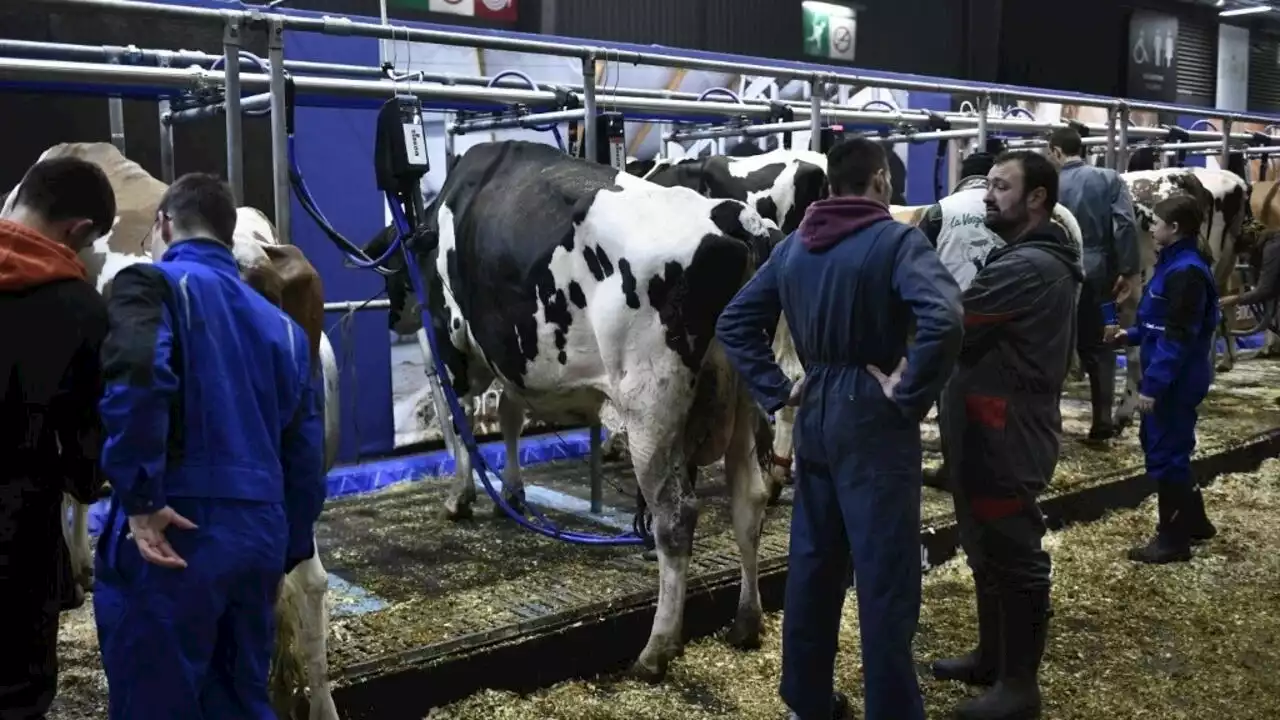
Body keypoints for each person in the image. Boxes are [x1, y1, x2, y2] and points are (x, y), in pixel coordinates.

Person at [715, 138, 964, 720]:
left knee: (813, 565)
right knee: (884, 578)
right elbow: (947, 315)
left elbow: (735, 321)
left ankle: (806, 698)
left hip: (816, 411)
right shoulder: (896, 241)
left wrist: (779, 391)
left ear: (830, 185)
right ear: (879, 180)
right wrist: (910, 388)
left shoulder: (796, 244)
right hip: (873, 415)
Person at [93, 173, 327, 719]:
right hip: (260, 540)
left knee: (157, 699)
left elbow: (138, 381)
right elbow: (305, 451)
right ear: (227, 237)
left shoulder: (152, 286)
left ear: (164, 225)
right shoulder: (285, 328)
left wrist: (142, 499)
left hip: (178, 534)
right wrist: (286, 544)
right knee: (242, 699)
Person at [930, 151, 1083, 720]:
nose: (988, 196)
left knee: (1015, 553)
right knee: (985, 547)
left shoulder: (1028, 268)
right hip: (986, 427)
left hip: (1005, 432)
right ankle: (991, 658)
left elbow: (955, 325)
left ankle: (1020, 688)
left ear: (1037, 198)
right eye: (989, 185)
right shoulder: (1021, 256)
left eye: (1000, 187)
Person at [0, 157, 115, 720]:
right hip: (17, 538)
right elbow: (85, 455)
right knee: (18, 689)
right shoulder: (79, 307)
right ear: (79, 232)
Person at [1105, 195, 1220, 565]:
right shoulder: (1173, 265)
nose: (1151, 228)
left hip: (1175, 380)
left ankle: (1172, 540)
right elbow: (1159, 324)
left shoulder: (1186, 271)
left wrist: (1152, 387)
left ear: (1175, 229)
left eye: (1155, 223)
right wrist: (1131, 336)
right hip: (1170, 374)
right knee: (1173, 448)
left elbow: (1179, 337)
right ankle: (1196, 523)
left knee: (1166, 453)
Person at [916, 151, 1003, 492]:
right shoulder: (1012, 208)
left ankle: (954, 467)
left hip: (951, 316)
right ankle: (994, 467)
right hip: (1003, 315)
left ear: (963, 176)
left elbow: (918, 265)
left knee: (951, 395)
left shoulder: (940, 210)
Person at [1048, 127, 1140, 442]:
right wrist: (1128, 270)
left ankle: (1052, 421)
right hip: (1100, 278)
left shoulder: (1049, 184)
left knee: (1055, 344)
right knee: (1102, 344)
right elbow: (1124, 224)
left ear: (1056, 151)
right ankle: (1101, 421)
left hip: (1057, 275)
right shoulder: (1109, 179)